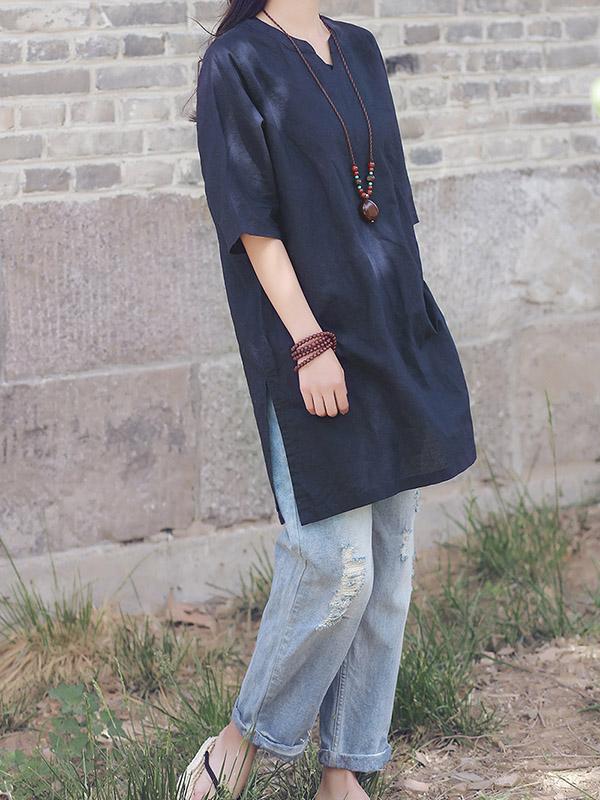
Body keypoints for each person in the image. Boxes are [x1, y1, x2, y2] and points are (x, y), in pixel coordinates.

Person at [179, 2, 477, 798]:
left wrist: (414, 320)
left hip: (391, 329)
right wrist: (310, 343)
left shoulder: (361, 48)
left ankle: (347, 768)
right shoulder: (237, 63)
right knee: (335, 565)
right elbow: (250, 222)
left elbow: (393, 198)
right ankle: (240, 740)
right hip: (308, 342)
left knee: (389, 564)